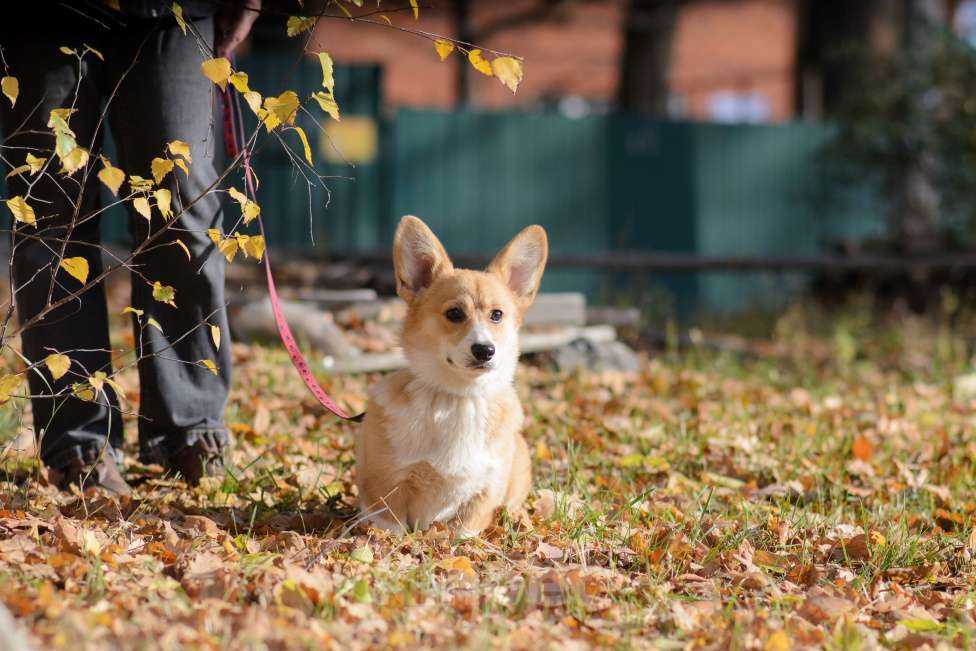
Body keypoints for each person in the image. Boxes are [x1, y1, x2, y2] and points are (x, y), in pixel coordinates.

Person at [0, 0, 260, 494]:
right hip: (39, 14)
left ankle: (190, 427)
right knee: (52, 207)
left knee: (186, 199)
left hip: (175, 9)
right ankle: (79, 445)